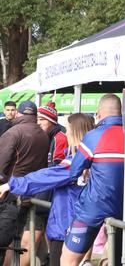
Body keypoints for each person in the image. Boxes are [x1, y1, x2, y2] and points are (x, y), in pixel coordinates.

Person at [59, 93, 125, 266]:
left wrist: (87, 171)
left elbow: (73, 172)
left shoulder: (94, 136)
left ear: (98, 113)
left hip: (93, 208)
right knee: (117, 260)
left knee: (68, 259)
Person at [0, 113, 95, 266]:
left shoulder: (75, 164)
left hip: (67, 227)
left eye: (69, 130)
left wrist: (12, 184)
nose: (66, 134)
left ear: (76, 132)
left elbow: (47, 176)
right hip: (72, 225)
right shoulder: (84, 161)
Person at [0, 101, 49, 266]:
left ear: (19, 114)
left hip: (11, 194)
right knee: (25, 243)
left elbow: (1, 166)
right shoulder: (43, 135)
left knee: (5, 242)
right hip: (35, 193)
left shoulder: (13, 133)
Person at [37, 102, 68, 166]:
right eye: (37, 120)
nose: (38, 123)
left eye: (42, 119)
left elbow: (58, 168)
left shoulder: (60, 138)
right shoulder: (46, 135)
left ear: (51, 121)